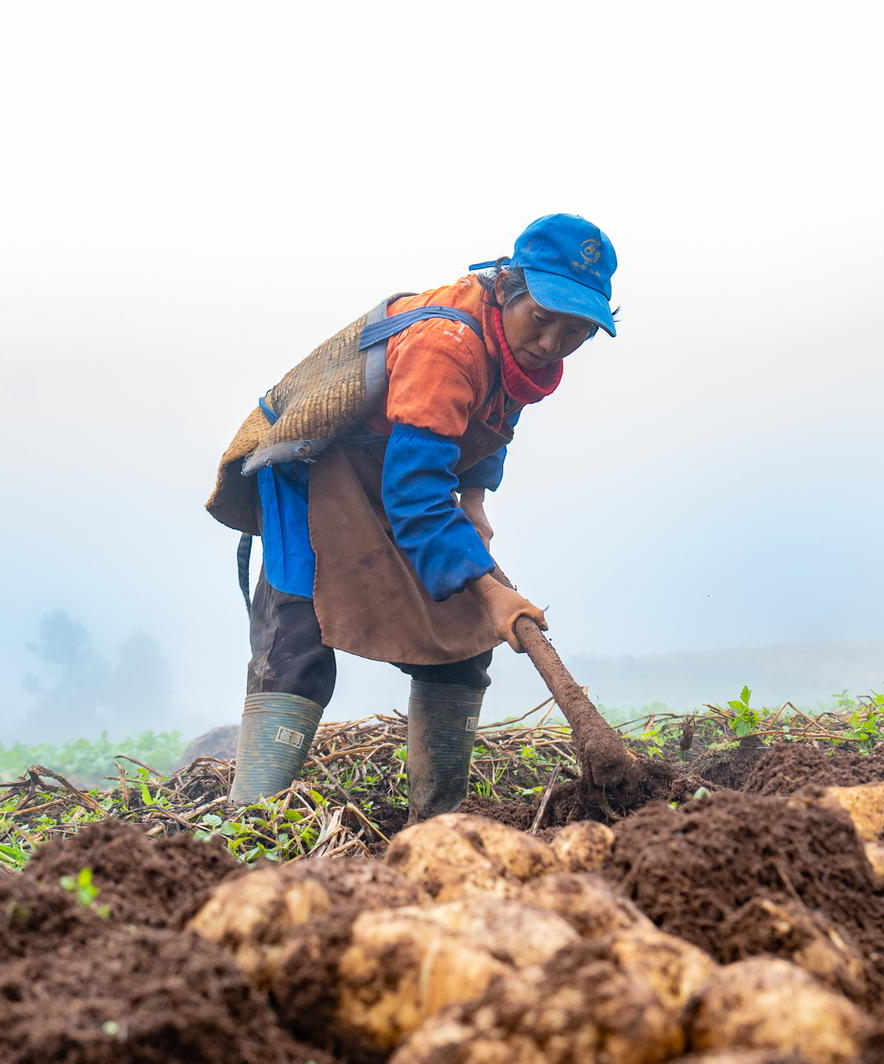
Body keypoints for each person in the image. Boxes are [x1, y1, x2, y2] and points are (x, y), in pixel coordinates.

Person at [222, 213, 618, 821]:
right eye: (542, 319)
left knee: (463, 639)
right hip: (320, 471)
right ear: (509, 286)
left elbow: (485, 430)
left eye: (576, 332)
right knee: (299, 637)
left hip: (402, 474)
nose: (551, 344)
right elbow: (416, 497)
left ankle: (435, 824)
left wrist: (476, 503)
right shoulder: (447, 344)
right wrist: (490, 589)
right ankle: (253, 824)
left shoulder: (517, 356)